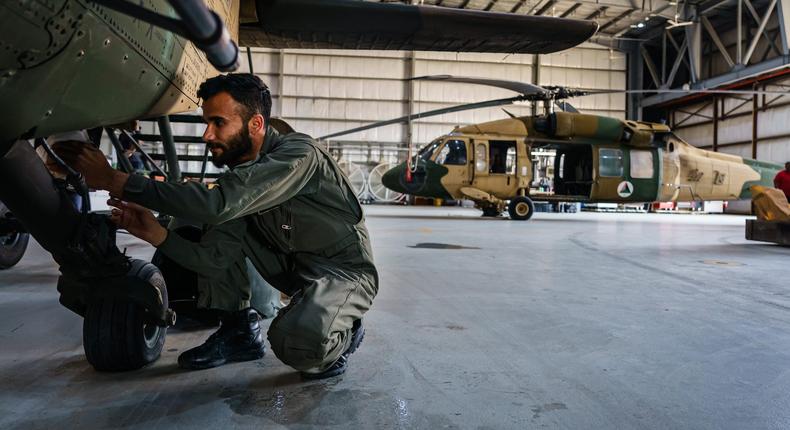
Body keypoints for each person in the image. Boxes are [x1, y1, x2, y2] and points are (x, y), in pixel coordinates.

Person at [55, 74, 378, 379]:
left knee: (297, 343)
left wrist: (116, 180)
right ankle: (239, 332)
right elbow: (212, 261)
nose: (207, 135)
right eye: (206, 123)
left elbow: (217, 203)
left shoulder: (299, 155)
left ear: (255, 124)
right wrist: (156, 233)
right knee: (219, 217)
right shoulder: (243, 183)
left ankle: (344, 333)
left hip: (343, 274)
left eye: (218, 123)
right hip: (297, 277)